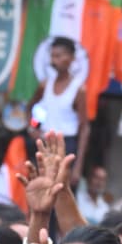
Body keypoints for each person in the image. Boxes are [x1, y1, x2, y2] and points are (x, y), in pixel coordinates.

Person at [28, 36, 89, 184]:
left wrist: (78, 166)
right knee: (43, 189)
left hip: (67, 144)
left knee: (62, 192)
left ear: (71, 58)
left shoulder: (78, 89)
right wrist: (32, 127)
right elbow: (31, 107)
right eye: (52, 56)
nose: (54, 61)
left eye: (59, 56)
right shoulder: (45, 85)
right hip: (45, 143)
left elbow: (85, 128)